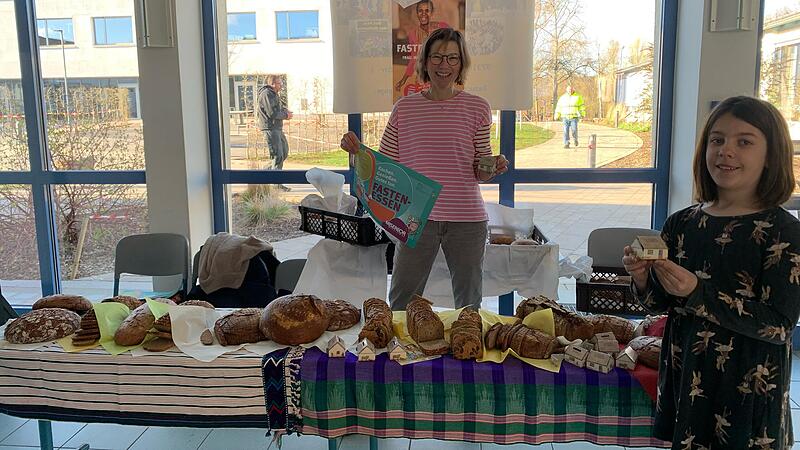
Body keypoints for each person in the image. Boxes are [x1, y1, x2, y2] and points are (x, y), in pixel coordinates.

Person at [622, 96, 800, 448]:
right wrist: (643, 277)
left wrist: (698, 293)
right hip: (687, 378)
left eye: (744, 142)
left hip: (747, 388)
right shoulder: (684, 223)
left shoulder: (783, 232)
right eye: (717, 140)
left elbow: (779, 325)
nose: (726, 151)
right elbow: (661, 303)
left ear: (771, 155)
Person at [341, 28, 508, 310]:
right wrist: (357, 153)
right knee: (401, 302)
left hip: (466, 218)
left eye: (453, 58)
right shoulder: (404, 109)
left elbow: (480, 171)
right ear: (425, 62)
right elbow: (387, 167)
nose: (444, 65)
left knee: (469, 304)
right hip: (415, 218)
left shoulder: (478, 108)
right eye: (437, 57)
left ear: (462, 64)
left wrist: (493, 168)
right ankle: (398, 354)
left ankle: (464, 353)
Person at [394, 0, 449, 94]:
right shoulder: (413, 34)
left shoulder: (443, 27)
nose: (423, 14)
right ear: (416, 13)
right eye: (420, 11)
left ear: (432, 13)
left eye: (427, 10)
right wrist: (403, 81)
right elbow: (413, 59)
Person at [256, 75, 292, 172]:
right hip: (270, 128)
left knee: (284, 152)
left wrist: (285, 111)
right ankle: (276, 184)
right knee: (277, 156)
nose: (281, 85)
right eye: (279, 83)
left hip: (277, 128)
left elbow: (277, 109)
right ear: (272, 84)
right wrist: (285, 115)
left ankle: (263, 174)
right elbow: (272, 113)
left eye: (282, 83)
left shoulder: (274, 94)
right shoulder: (266, 94)